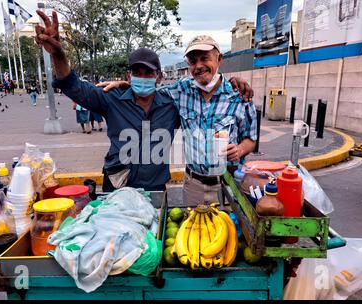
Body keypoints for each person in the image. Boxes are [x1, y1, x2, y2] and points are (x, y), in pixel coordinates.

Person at [34, 10, 253, 193]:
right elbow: (74, 87)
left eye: (149, 73)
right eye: (137, 72)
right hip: (118, 184)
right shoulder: (111, 99)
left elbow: (210, 96)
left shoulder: (172, 102)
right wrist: (58, 53)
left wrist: (233, 81)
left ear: (159, 77)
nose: (143, 78)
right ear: (128, 76)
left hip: (156, 187)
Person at [100, 35, 258, 205]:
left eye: (205, 59)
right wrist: (126, 85)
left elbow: (251, 139)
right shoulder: (181, 90)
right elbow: (149, 90)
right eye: (192, 61)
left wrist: (240, 150)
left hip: (228, 184)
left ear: (219, 59)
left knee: (230, 229)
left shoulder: (240, 96)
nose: (198, 66)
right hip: (193, 185)